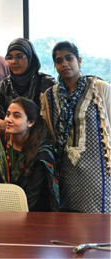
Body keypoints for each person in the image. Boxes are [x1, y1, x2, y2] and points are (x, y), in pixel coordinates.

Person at [40, 41, 111, 213]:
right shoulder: (49, 96)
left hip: (98, 173)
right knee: (69, 222)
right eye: (58, 61)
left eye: (69, 58)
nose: (64, 64)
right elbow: (49, 133)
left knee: (99, 222)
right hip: (65, 172)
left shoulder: (100, 88)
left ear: (79, 60)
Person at [0, 97, 58, 211]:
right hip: (1, 207)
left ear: (30, 122)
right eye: (8, 114)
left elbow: (33, 195)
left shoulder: (42, 152)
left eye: (16, 116)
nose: (8, 120)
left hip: (34, 213)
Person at [0, 38, 55, 130]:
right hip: (11, 141)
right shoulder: (3, 87)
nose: (14, 62)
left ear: (30, 57)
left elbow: (50, 122)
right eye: (10, 57)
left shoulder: (46, 84)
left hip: (41, 140)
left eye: (20, 56)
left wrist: (8, 125)